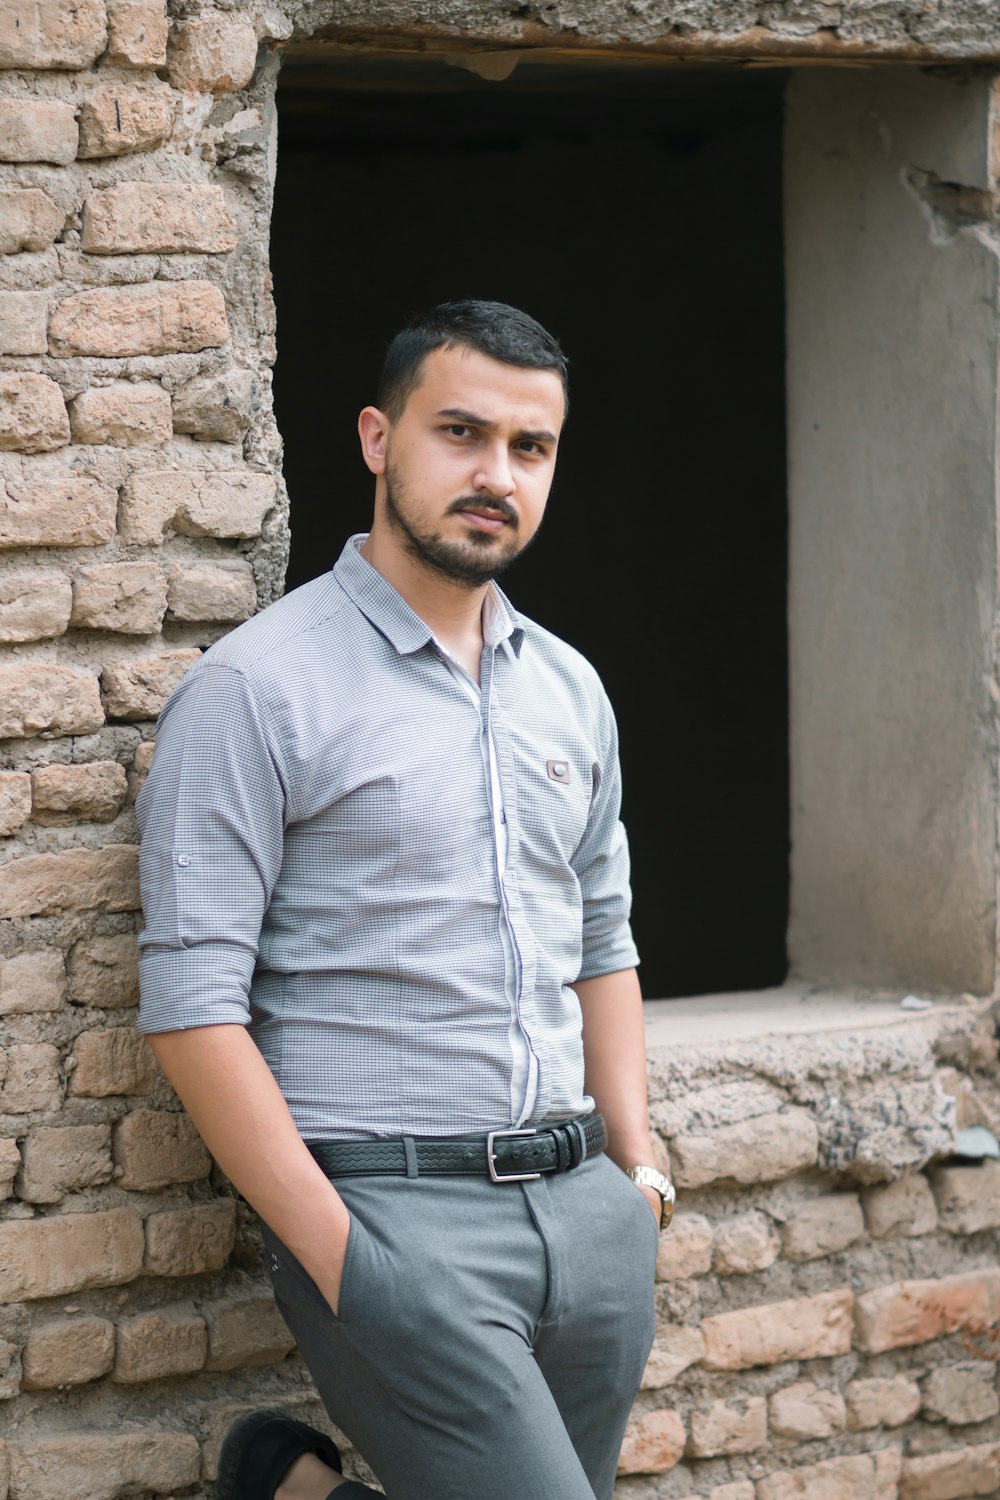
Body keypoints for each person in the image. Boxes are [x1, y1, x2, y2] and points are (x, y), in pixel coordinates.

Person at [136, 300, 674, 1500]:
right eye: (462, 433)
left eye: (528, 448)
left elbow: (603, 936)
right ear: (379, 440)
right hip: (396, 1219)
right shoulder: (256, 689)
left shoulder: (571, 691)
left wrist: (636, 1180)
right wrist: (341, 1256)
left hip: (589, 1220)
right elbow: (190, 1004)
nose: (495, 475)